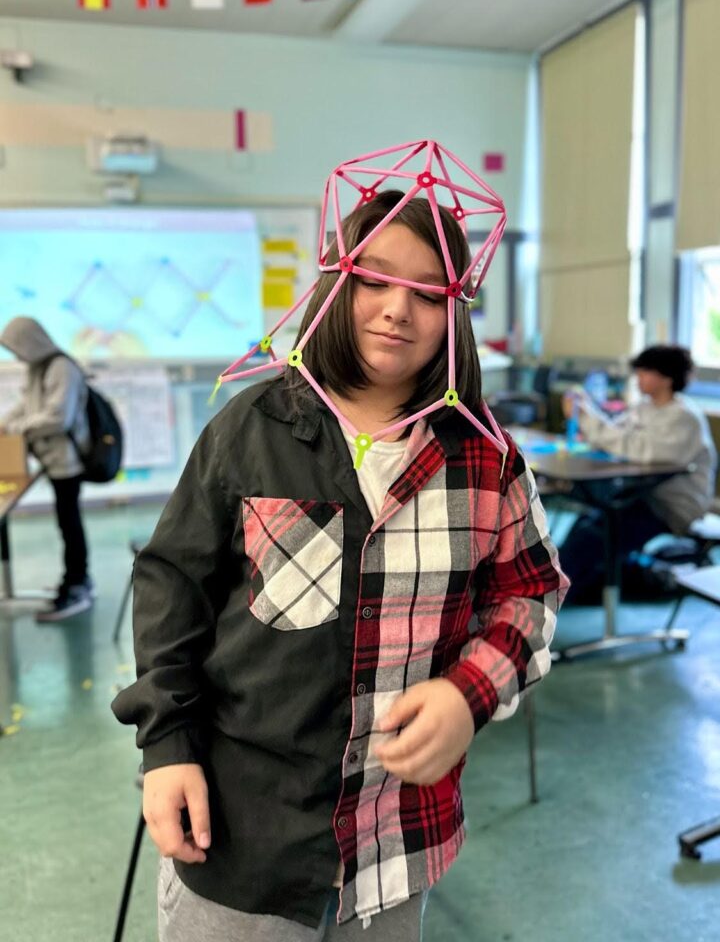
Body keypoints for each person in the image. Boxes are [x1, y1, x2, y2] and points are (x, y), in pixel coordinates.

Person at [112, 190, 568, 941]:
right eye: (374, 279)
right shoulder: (249, 429)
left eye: (428, 292)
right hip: (239, 830)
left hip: (398, 843)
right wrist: (164, 747)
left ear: (455, 311)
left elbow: (530, 591)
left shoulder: (486, 459)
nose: (398, 309)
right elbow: (172, 585)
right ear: (335, 283)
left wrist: (467, 696)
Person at [558, 344, 716, 605]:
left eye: (646, 371)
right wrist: (585, 412)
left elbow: (636, 449)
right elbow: (612, 435)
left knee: (593, 537)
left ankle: (554, 596)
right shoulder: (645, 407)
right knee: (586, 524)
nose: (639, 376)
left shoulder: (684, 418)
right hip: (641, 496)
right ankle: (567, 587)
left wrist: (589, 417)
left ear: (666, 377)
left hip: (668, 506)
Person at [0, 316, 94, 621]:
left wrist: (17, 429)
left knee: (70, 524)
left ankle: (78, 584)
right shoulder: (36, 368)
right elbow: (25, 406)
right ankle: (76, 579)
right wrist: (4, 425)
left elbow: (58, 417)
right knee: (66, 522)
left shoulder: (61, 367)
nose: (16, 355)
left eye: (17, 347)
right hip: (51, 460)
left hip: (67, 461)